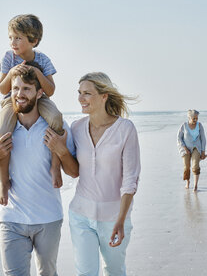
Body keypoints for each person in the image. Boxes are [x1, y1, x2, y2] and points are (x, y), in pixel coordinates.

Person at [0, 65, 78, 276]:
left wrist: (61, 151)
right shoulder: (2, 127)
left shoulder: (56, 126)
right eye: (15, 89)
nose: (19, 94)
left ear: (39, 92)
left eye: (26, 89)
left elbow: (73, 172)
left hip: (48, 218)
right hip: (11, 218)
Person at [44, 72, 141, 276]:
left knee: (114, 271)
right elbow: (74, 172)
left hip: (114, 218)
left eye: (87, 93)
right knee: (85, 273)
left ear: (104, 96)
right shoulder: (77, 128)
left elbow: (130, 180)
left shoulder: (125, 129)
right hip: (81, 215)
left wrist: (121, 220)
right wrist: (60, 151)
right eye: (79, 93)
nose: (81, 98)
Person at [0, 14, 64, 206]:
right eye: (11, 37)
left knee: (57, 118)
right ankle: (3, 182)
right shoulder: (9, 57)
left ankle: (55, 167)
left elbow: (50, 90)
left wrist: (37, 73)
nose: (13, 42)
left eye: (18, 38)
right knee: (1, 133)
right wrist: (11, 73)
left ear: (33, 40)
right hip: (12, 100)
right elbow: (2, 89)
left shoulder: (42, 59)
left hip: (39, 98)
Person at [177, 109, 207, 191]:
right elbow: (179, 138)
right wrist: (184, 148)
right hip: (185, 148)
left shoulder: (200, 125)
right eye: (194, 118)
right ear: (189, 118)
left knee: (195, 166)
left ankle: (195, 185)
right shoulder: (184, 125)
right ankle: (187, 182)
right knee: (187, 167)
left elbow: (203, 139)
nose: (196, 120)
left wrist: (203, 151)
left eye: (197, 118)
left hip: (196, 148)